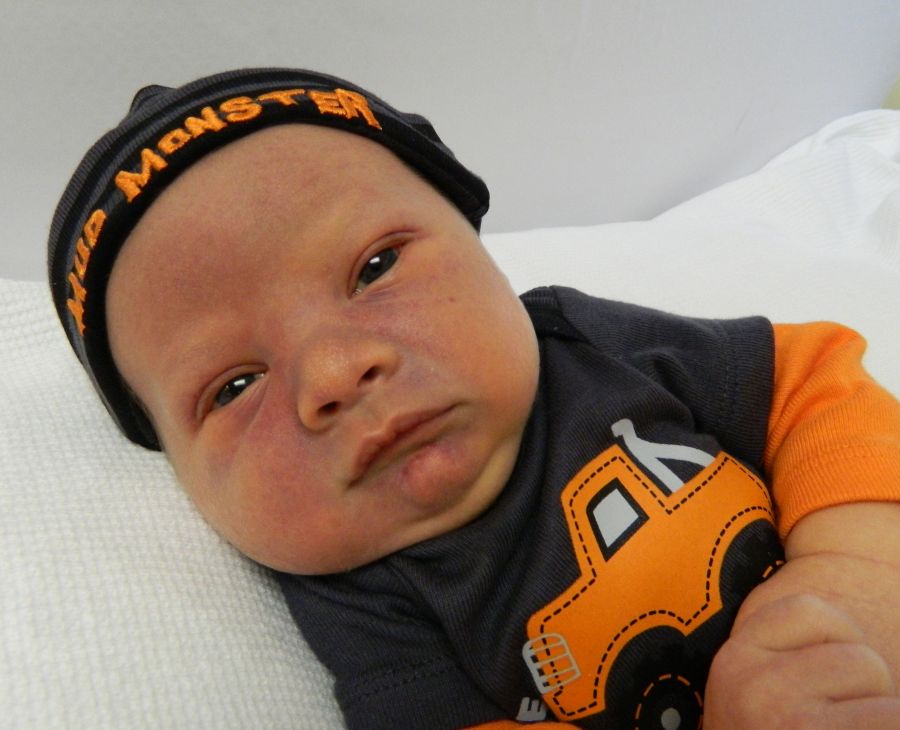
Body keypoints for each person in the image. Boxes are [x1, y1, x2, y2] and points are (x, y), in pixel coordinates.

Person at [47, 68, 900, 729]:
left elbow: (813, 383)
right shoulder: (366, 601)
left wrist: (851, 583)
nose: (336, 372)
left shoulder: (581, 343)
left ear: (481, 244)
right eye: (233, 387)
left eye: (375, 267)